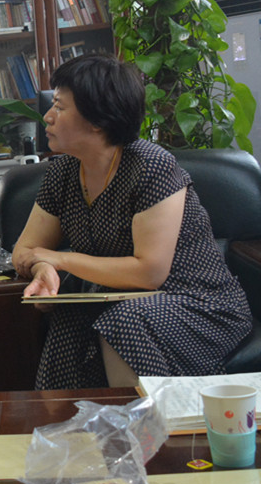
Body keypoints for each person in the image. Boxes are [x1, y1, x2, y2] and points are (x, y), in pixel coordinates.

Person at [13, 54, 251, 390]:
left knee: (124, 323)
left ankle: (144, 423)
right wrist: (44, 271)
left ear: (97, 121)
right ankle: (69, 423)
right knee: (70, 319)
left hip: (196, 302)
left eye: (60, 107)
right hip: (116, 299)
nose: (47, 117)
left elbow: (149, 273)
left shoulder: (152, 168)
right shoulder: (62, 173)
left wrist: (59, 260)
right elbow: (25, 250)